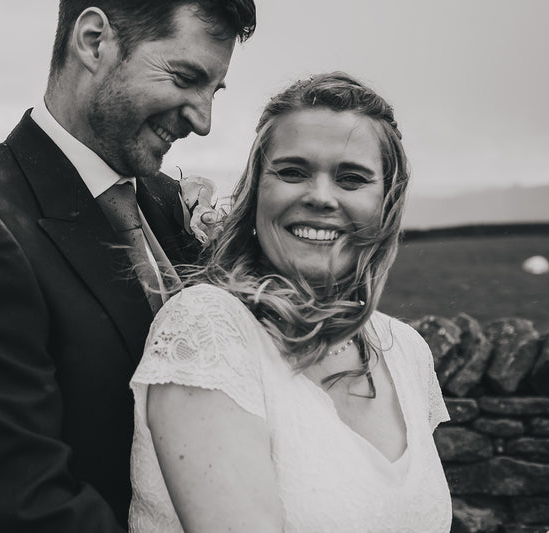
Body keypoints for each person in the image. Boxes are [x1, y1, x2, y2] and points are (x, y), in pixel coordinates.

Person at [0, 1, 256, 531]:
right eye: (185, 78)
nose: (203, 121)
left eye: (213, 92)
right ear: (92, 41)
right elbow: (23, 500)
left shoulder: (164, 201)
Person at [129, 73, 452, 532]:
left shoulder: (405, 351)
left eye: (352, 179)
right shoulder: (207, 330)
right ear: (257, 189)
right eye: (293, 172)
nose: (320, 197)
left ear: (388, 202)